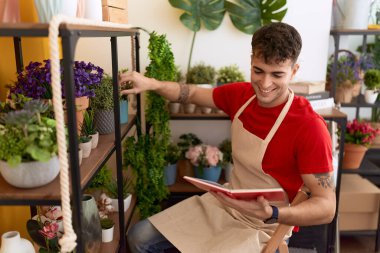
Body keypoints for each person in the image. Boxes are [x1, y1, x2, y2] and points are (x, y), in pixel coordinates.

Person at [120, 22, 336, 253]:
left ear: (294, 71)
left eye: (277, 74)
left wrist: (273, 212)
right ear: (251, 60)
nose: (265, 84)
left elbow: (326, 207)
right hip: (224, 206)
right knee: (139, 236)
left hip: (266, 225)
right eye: (258, 70)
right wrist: (152, 84)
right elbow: (191, 93)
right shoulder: (241, 96)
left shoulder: (309, 126)